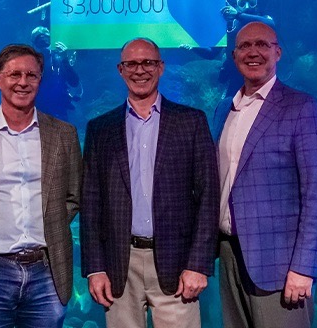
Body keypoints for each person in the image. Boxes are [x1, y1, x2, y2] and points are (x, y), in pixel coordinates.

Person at [80, 37, 218, 328]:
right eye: (131, 63)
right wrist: (95, 268)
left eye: (148, 63)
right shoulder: (100, 129)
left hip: (178, 264)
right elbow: (91, 204)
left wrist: (198, 264)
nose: (139, 70)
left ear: (161, 67)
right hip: (119, 266)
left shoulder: (191, 122)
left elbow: (208, 197)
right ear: (120, 69)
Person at [211, 21, 317, 327]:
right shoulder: (223, 109)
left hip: (281, 267)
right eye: (244, 46)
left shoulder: (302, 108)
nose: (253, 52)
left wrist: (305, 267)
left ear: (277, 52)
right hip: (228, 256)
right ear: (233, 55)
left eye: (262, 44)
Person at [0, 44, 82, 327]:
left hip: (47, 271)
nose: (23, 82)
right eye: (14, 74)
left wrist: (49, 223)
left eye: (31, 75)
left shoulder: (64, 135)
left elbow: (72, 197)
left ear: (40, 80)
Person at [181, 0, 275, 95]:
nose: (247, 6)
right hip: (237, 73)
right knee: (231, 107)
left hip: (261, 73)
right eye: (242, 3)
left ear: (256, 4)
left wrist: (238, 15)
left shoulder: (264, 19)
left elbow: (271, 25)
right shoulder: (229, 25)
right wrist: (193, 48)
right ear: (236, 5)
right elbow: (212, 53)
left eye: (251, 2)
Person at [31, 26, 81, 121]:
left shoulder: (58, 59)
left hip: (59, 107)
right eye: (40, 41)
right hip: (39, 109)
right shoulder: (29, 62)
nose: (44, 44)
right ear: (34, 44)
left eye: (46, 39)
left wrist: (65, 60)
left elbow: (74, 82)